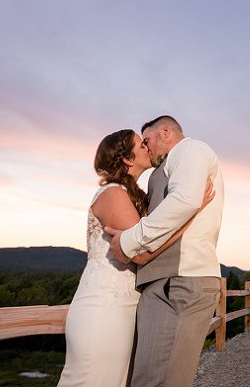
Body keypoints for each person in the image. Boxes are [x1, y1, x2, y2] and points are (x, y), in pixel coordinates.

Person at [57, 128, 214, 387]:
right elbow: (141, 254)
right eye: (141, 145)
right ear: (128, 159)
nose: (147, 147)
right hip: (103, 309)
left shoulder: (133, 196)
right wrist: (191, 216)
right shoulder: (113, 194)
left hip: (125, 310)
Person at [105, 115, 225, 387]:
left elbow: (185, 200)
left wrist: (128, 241)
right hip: (165, 284)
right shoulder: (166, 168)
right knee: (151, 378)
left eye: (146, 141)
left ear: (166, 132)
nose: (146, 149)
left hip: (179, 282)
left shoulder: (191, 150)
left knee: (156, 382)